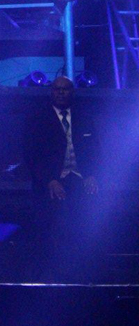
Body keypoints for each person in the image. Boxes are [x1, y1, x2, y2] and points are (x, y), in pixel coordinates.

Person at [23, 76, 101, 280]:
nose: (60, 92)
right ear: (51, 91)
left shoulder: (83, 116)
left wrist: (91, 175)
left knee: (84, 227)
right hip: (50, 182)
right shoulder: (39, 118)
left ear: (71, 92)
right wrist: (49, 179)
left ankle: (84, 274)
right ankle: (50, 276)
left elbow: (95, 149)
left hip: (79, 179)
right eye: (57, 89)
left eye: (65, 89)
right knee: (51, 229)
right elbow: (32, 154)